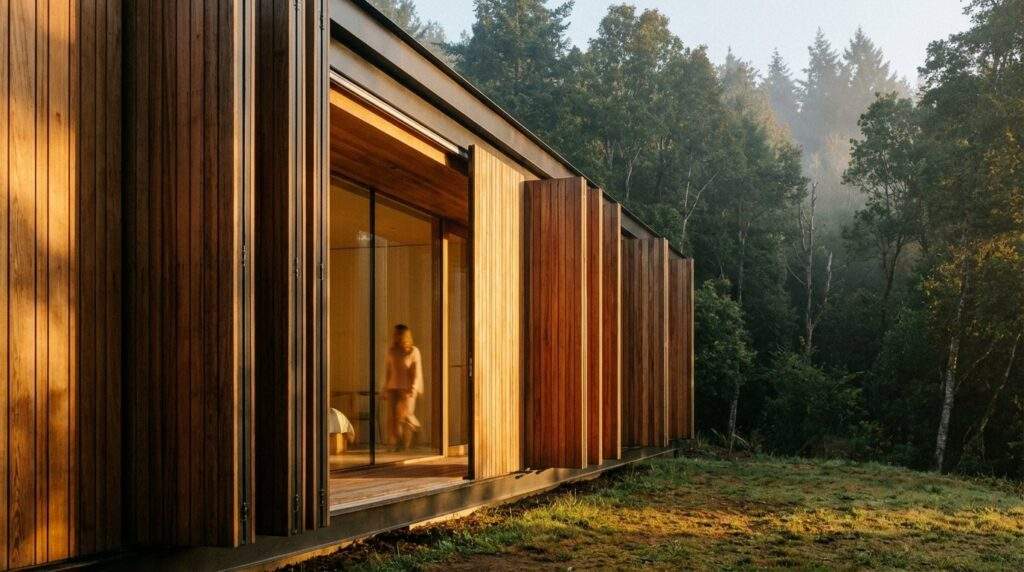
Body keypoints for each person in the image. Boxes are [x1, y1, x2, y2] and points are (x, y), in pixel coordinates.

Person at [384, 324, 423, 451]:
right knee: (393, 417)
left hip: (406, 388)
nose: (395, 336)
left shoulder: (413, 351)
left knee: (405, 415)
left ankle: (416, 429)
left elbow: (416, 373)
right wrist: (385, 387)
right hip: (392, 387)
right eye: (394, 334)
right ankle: (399, 442)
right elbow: (388, 371)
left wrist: (412, 388)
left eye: (398, 334)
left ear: (404, 336)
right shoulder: (391, 351)